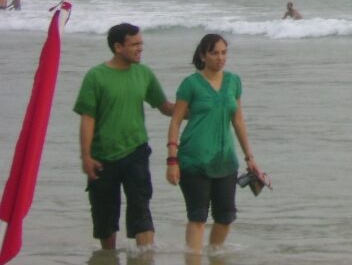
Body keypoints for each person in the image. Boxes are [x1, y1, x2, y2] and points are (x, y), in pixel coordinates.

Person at [73, 23, 174, 250]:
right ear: (118, 47)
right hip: (102, 157)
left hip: (136, 152)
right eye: (135, 44)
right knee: (105, 217)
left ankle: (145, 258)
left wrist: (197, 109)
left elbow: (165, 107)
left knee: (141, 207)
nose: (140, 48)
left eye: (141, 43)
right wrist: (85, 157)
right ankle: (108, 257)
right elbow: (87, 119)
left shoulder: (144, 73)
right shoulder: (96, 77)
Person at [166, 34, 264, 254]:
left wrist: (250, 157)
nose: (221, 58)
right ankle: (194, 258)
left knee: (226, 217)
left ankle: (213, 256)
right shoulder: (191, 84)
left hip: (225, 160)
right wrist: (172, 160)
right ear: (203, 55)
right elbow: (175, 122)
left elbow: (238, 121)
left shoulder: (233, 81)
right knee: (198, 216)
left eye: (224, 52)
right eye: (215, 53)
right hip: (194, 160)